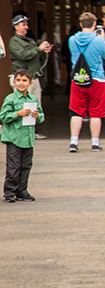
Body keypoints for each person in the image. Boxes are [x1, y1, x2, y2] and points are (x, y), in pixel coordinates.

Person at [68, 13, 105, 152]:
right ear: (94, 24)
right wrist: (102, 39)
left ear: (81, 24)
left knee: (76, 112)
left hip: (78, 79)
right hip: (97, 80)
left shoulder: (72, 39)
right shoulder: (98, 40)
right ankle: (95, 143)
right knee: (96, 113)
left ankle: (73, 143)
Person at [1, 69, 44, 202]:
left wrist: (37, 116)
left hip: (28, 138)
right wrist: (17, 114)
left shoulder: (33, 99)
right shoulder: (11, 99)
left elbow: (41, 116)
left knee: (26, 165)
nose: (21, 83)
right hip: (14, 138)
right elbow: (3, 116)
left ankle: (22, 190)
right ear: (14, 82)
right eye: (18, 80)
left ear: (30, 83)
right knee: (13, 166)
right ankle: (9, 192)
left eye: (24, 80)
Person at [8, 15, 52, 139]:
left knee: (34, 105)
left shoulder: (30, 41)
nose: (26, 27)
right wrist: (39, 48)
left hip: (33, 77)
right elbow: (22, 55)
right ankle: (20, 133)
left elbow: (37, 56)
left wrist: (44, 51)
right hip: (20, 78)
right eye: (23, 24)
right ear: (16, 26)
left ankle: (31, 132)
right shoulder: (14, 41)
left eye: (26, 24)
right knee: (20, 105)